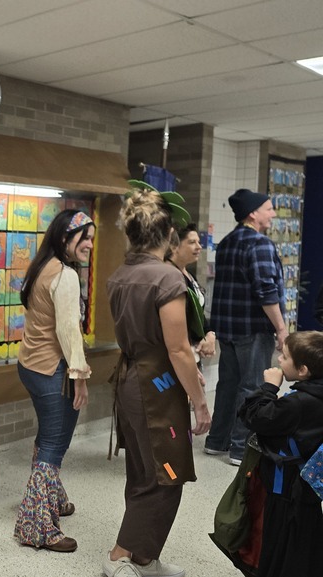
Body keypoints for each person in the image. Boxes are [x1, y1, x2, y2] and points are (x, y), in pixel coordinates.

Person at [103, 189, 212, 577]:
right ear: (168, 234)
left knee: (144, 471)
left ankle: (145, 556)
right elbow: (179, 349)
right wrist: (200, 401)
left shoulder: (120, 276)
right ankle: (120, 556)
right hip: (157, 385)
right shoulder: (166, 277)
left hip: (132, 377)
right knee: (165, 475)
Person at [12, 209, 94, 553]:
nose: (89, 244)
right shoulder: (66, 275)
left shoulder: (41, 265)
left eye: (92, 238)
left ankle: (53, 499)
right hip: (53, 371)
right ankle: (37, 527)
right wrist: (79, 376)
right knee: (54, 446)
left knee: (47, 434)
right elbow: (67, 331)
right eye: (83, 237)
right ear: (64, 238)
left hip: (29, 365)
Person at [205, 189, 285, 467]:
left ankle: (217, 441)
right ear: (253, 213)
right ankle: (240, 448)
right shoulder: (260, 244)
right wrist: (282, 328)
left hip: (227, 329)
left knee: (227, 385)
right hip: (253, 329)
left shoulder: (227, 242)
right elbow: (266, 290)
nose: (273, 214)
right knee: (252, 387)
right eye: (269, 209)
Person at [235, 331, 323, 577]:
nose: (278, 360)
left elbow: (252, 416)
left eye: (284, 357)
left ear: (303, 370)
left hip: (284, 488)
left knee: (279, 541)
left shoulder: (297, 404)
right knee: (306, 540)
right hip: (310, 487)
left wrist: (269, 388)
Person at [166, 224, 216, 364]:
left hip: (193, 352)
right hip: (178, 354)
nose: (199, 247)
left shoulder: (189, 274)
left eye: (199, 242)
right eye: (192, 242)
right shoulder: (169, 276)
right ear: (174, 246)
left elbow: (198, 313)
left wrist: (209, 334)